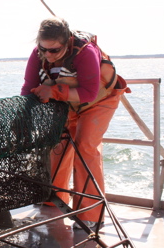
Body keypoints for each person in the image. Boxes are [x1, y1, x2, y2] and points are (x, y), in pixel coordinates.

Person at [21, 17, 129, 229]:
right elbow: (28, 86)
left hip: (98, 101)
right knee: (58, 144)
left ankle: (91, 214)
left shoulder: (85, 52)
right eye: (44, 49)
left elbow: (89, 93)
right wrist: (25, 115)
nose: (48, 55)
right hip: (67, 103)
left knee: (85, 147)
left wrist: (52, 91)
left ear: (68, 41)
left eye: (55, 50)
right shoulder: (38, 54)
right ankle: (55, 198)